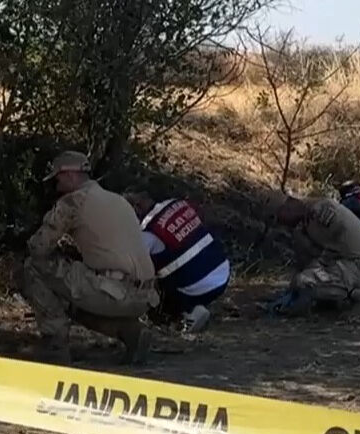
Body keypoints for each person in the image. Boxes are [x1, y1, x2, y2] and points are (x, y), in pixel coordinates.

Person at [22, 151, 158, 364]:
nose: (56, 187)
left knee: (33, 267)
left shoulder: (73, 202)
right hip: (146, 296)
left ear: (69, 175)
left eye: (57, 179)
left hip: (113, 293)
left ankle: (54, 345)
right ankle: (130, 332)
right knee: (74, 288)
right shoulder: (119, 200)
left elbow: (38, 247)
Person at [125, 191, 230, 334]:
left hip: (196, 288)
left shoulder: (147, 234)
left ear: (136, 209)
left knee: (152, 288)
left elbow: (132, 265)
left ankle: (187, 313)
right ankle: (197, 304)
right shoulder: (175, 204)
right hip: (223, 272)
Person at [269, 193, 360, 319]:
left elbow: (337, 238)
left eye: (280, 216)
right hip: (351, 266)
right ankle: (334, 298)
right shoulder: (304, 224)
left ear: (291, 204)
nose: (281, 222)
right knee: (305, 279)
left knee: (304, 281)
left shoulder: (320, 210)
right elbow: (310, 258)